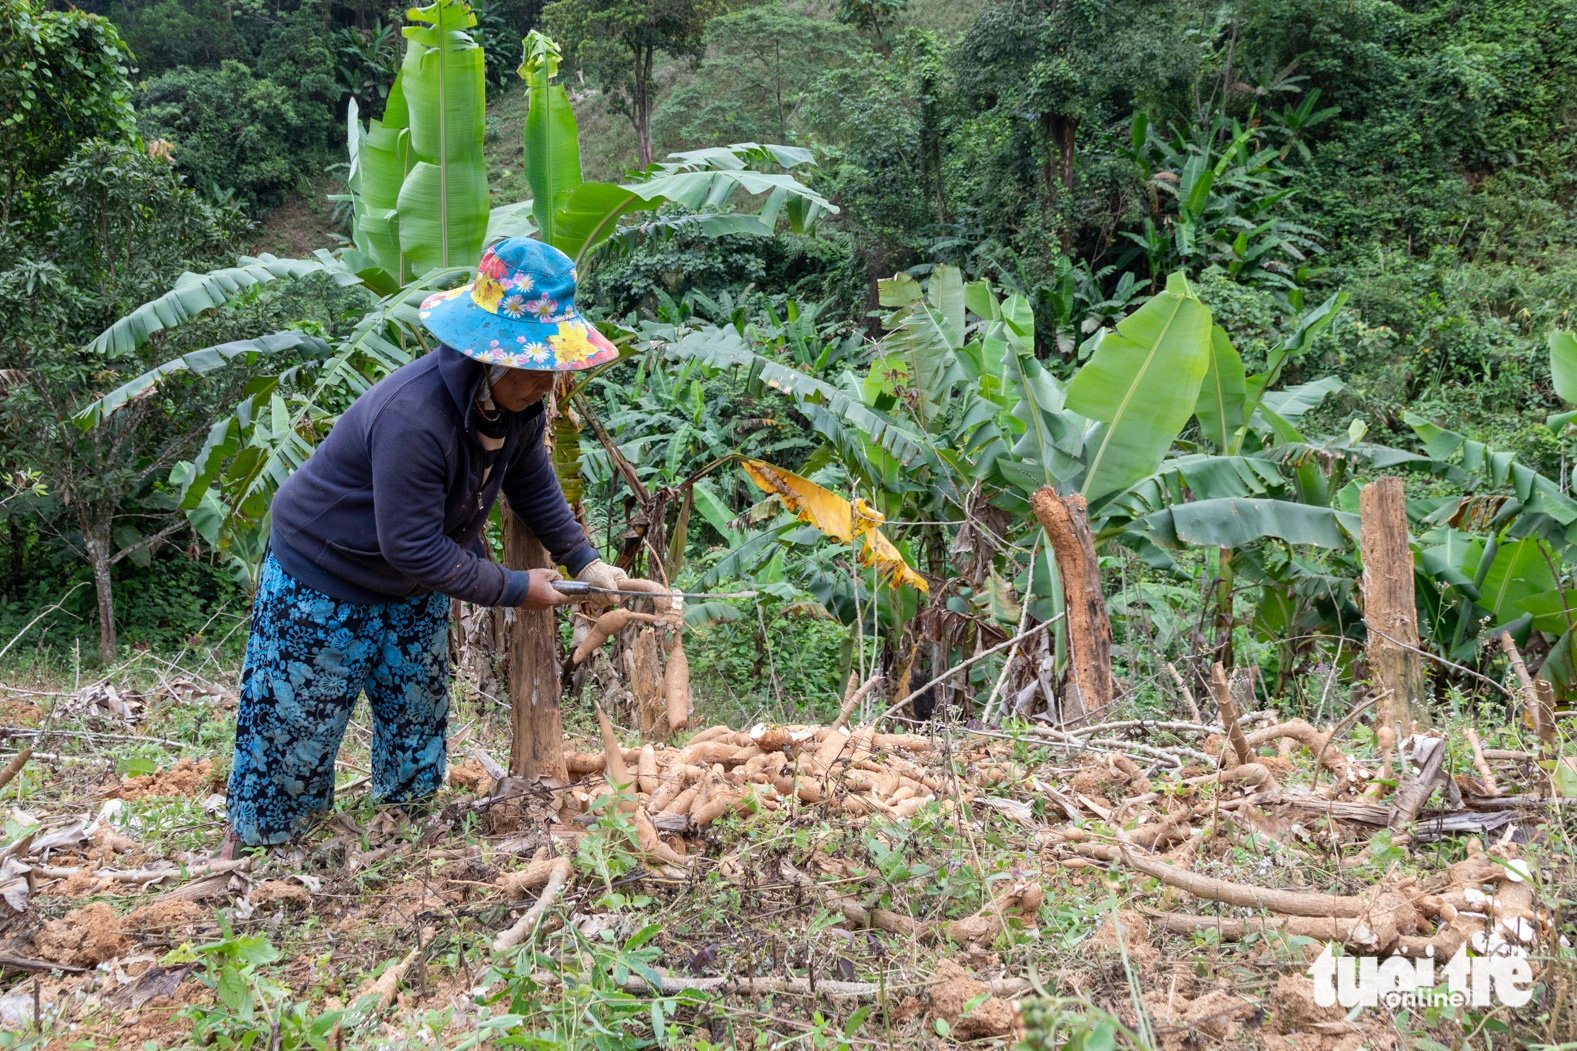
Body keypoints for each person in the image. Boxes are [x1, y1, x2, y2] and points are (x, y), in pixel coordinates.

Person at [221, 237, 632, 854]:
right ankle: (264, 850)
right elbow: (412, 545)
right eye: (537, 363)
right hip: (324, 578)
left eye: (554, 363)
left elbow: (531, 485)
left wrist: (586, 560)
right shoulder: (413, 418)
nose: (550, 379)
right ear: (490, 356)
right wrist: (519, 589)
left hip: (412, 587)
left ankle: (403, 835)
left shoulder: (520, 406)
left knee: (416, 715)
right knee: (295, 730)